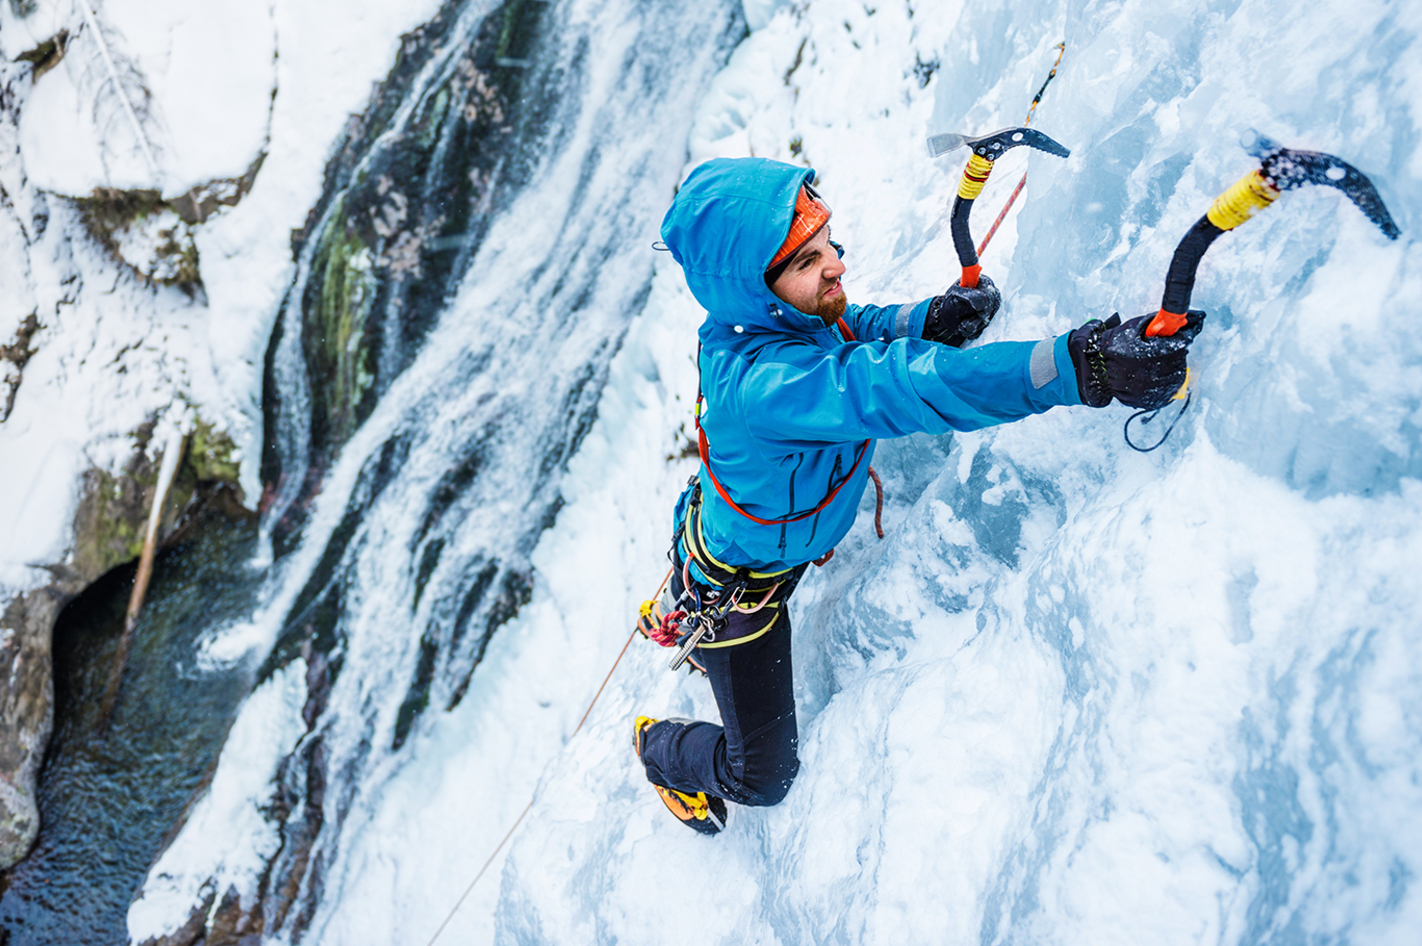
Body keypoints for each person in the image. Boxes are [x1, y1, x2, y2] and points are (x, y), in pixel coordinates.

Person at [633, 156, 1202, 834]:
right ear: (757, 288)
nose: (836, 264)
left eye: (828, 243)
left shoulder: (775, 316)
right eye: (807, 259)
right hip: (739, 590)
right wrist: (1083, 365)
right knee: (764, 776)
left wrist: (926, 319)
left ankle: (684, 626)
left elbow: (852, 330)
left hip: (742, 538)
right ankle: (657, 749)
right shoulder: (768, 387)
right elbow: (903, 387)